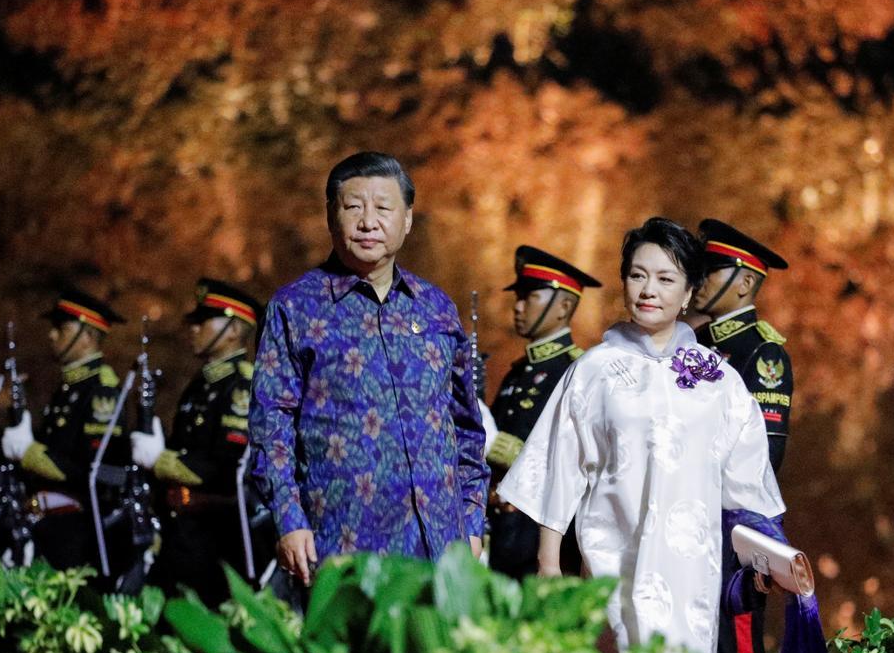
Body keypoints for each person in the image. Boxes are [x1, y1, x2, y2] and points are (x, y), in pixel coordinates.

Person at [497, 217, 787, 653]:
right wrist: (550, 562)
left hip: (691, 577)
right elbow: (559, 467)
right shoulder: (594, 371)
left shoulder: (718, 380)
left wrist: (766, 556)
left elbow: (748, 487)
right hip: (613, 569)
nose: (648, 290)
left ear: (689, 291)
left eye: (665, 278)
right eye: (636, 275)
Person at [250, 151, 489, 586]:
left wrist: (472, 520)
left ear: (408, 219)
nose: (368, 221)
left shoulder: (436, 307)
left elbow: (466, 426)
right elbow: (271, 423)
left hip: (440, 544)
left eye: (383, 207)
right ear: (330, 215)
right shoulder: (295, 307)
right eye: (353, 206)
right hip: (342, 541)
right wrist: (288, 519)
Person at [690, 219, 792, 653]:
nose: (699, 281)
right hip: (689, 539)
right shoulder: (693, 349)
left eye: (712, 271)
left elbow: (762, 459)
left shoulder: (761, 355)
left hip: (733, 541)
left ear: (746, 282)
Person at [131, 278, 277, 605]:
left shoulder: (240, 387)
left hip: (220, 540)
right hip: (183, 535)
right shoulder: (199, 386)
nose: (193, 329)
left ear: (234, 330)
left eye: (203, 321)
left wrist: (161, 460)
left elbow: (227, 468)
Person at [486, 245, 600, 579]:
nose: (518, 307)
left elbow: (572, 459)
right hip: (503, 531)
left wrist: (498, 445)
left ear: (564, 305)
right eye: (517, 297)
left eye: (529, 297)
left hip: (540, 539)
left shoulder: (575, 371)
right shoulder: (517, 372)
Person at [1, 288, 132, 577]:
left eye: (61, 328)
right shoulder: (68, 389)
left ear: (87, 336)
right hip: (48, 523)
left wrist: (29, 452)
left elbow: (91, 467)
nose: (51, 335)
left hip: (80, 529)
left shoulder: (101, 391)